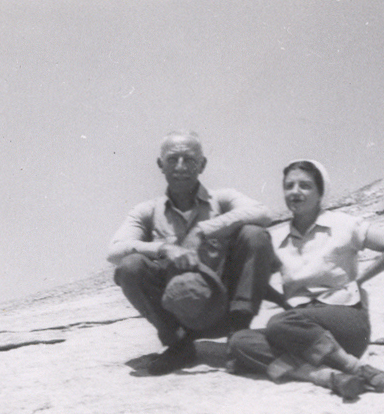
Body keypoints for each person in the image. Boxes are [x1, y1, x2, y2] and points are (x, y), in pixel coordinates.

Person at [227, 159, 384, 402]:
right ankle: (328, 377)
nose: (295, 192)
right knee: (240, 342)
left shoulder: (343, 224)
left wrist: (359, 282)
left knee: (279, 323)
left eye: (305, 186)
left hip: (345, 320)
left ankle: (353, 366)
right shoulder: (277, 236)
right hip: (298, 331)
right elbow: (254, 277)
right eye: (289, 186)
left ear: (320, 192)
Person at [108, 131, 275, 375]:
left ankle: (239, 338)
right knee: (130, 266)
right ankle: (178, 346)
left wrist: (203, 229)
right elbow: (114, 251)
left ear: (202, 164)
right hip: (178, 316)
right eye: (172, 159)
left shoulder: (223, 200)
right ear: (160, 164)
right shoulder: (146, 211)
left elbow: (263, 213)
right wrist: (163, 248)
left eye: (189, 159)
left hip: (226, 310)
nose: (180, 166)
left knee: (254, 235)